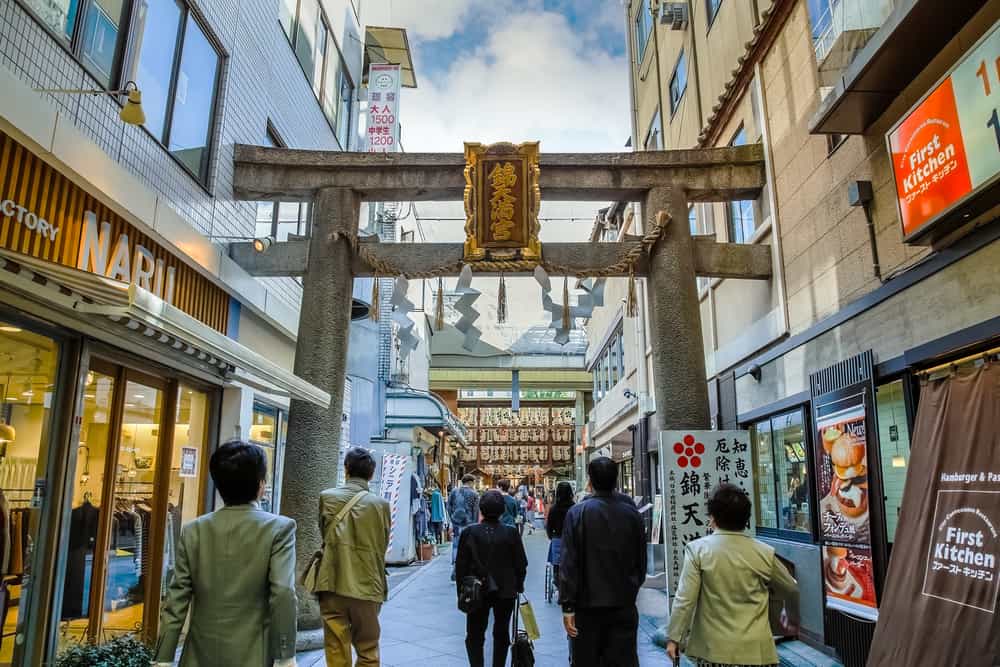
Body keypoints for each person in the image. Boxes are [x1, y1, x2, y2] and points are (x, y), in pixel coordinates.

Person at [153, 441, 297, 667]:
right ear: (261, 485)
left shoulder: (193, 530)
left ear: (218, 485)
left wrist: (163, 658)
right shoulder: (279, 529)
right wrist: (286, 655)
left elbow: (177, 598)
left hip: (198, 655)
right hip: (255, 655)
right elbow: (283, 593)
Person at [666, 483, 800, 667]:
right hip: (757, 652)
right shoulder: (764, 552)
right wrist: (787, 618)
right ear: (746, 518)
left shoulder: (697, 551)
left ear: (712, 517)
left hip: (712, 651)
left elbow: (685, 599)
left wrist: (674, 638)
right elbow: (791, 588)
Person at [560, 457, 646, 667]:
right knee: (623, 659)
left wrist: (568, 605)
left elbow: (569, 562)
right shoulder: (631, 513)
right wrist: (632, 587)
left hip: (587, 606)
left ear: (590, 480)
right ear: (616, 479)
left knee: (587, 659)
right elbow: (641, 560)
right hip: (623, 603)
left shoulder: (577, 513)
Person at [314, 448, 391, 667]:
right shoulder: (381, 505)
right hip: (368, 583)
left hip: (333, 579)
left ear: (346, 469)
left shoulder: (327, 497)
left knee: (336, 647)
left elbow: (324, 533)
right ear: (371, 474)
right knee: (368, 648)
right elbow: (383, 543)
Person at [456, 490, 528, 667]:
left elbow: (461, 566)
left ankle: (477, 664)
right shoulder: (511, 532)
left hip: (476, 588)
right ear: (503, 510)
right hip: (505, 588)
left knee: (474, 632)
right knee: (502, 630)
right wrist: (519, 583)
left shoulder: (469, 532)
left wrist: (461, 590)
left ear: (481, 509)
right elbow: (521, 563)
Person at [545, 481, 575, 596]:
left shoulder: (554, 509)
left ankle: (558, 583)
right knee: (572, 563)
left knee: (557, 564)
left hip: (557, 538)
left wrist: (550, 537)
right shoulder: (574, 508)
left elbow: (549, 526)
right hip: (572, 539)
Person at [448, 474, 481, 578]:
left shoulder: (454, 492)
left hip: (456, 523)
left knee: (456, 545)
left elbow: (449, 507)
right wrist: (476, 525)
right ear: (471, 482)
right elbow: (475, 511)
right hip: (469, 524)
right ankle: (467, 569)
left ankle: (455, 567)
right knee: (468, 546)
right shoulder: (474, 494)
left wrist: (452, 519)